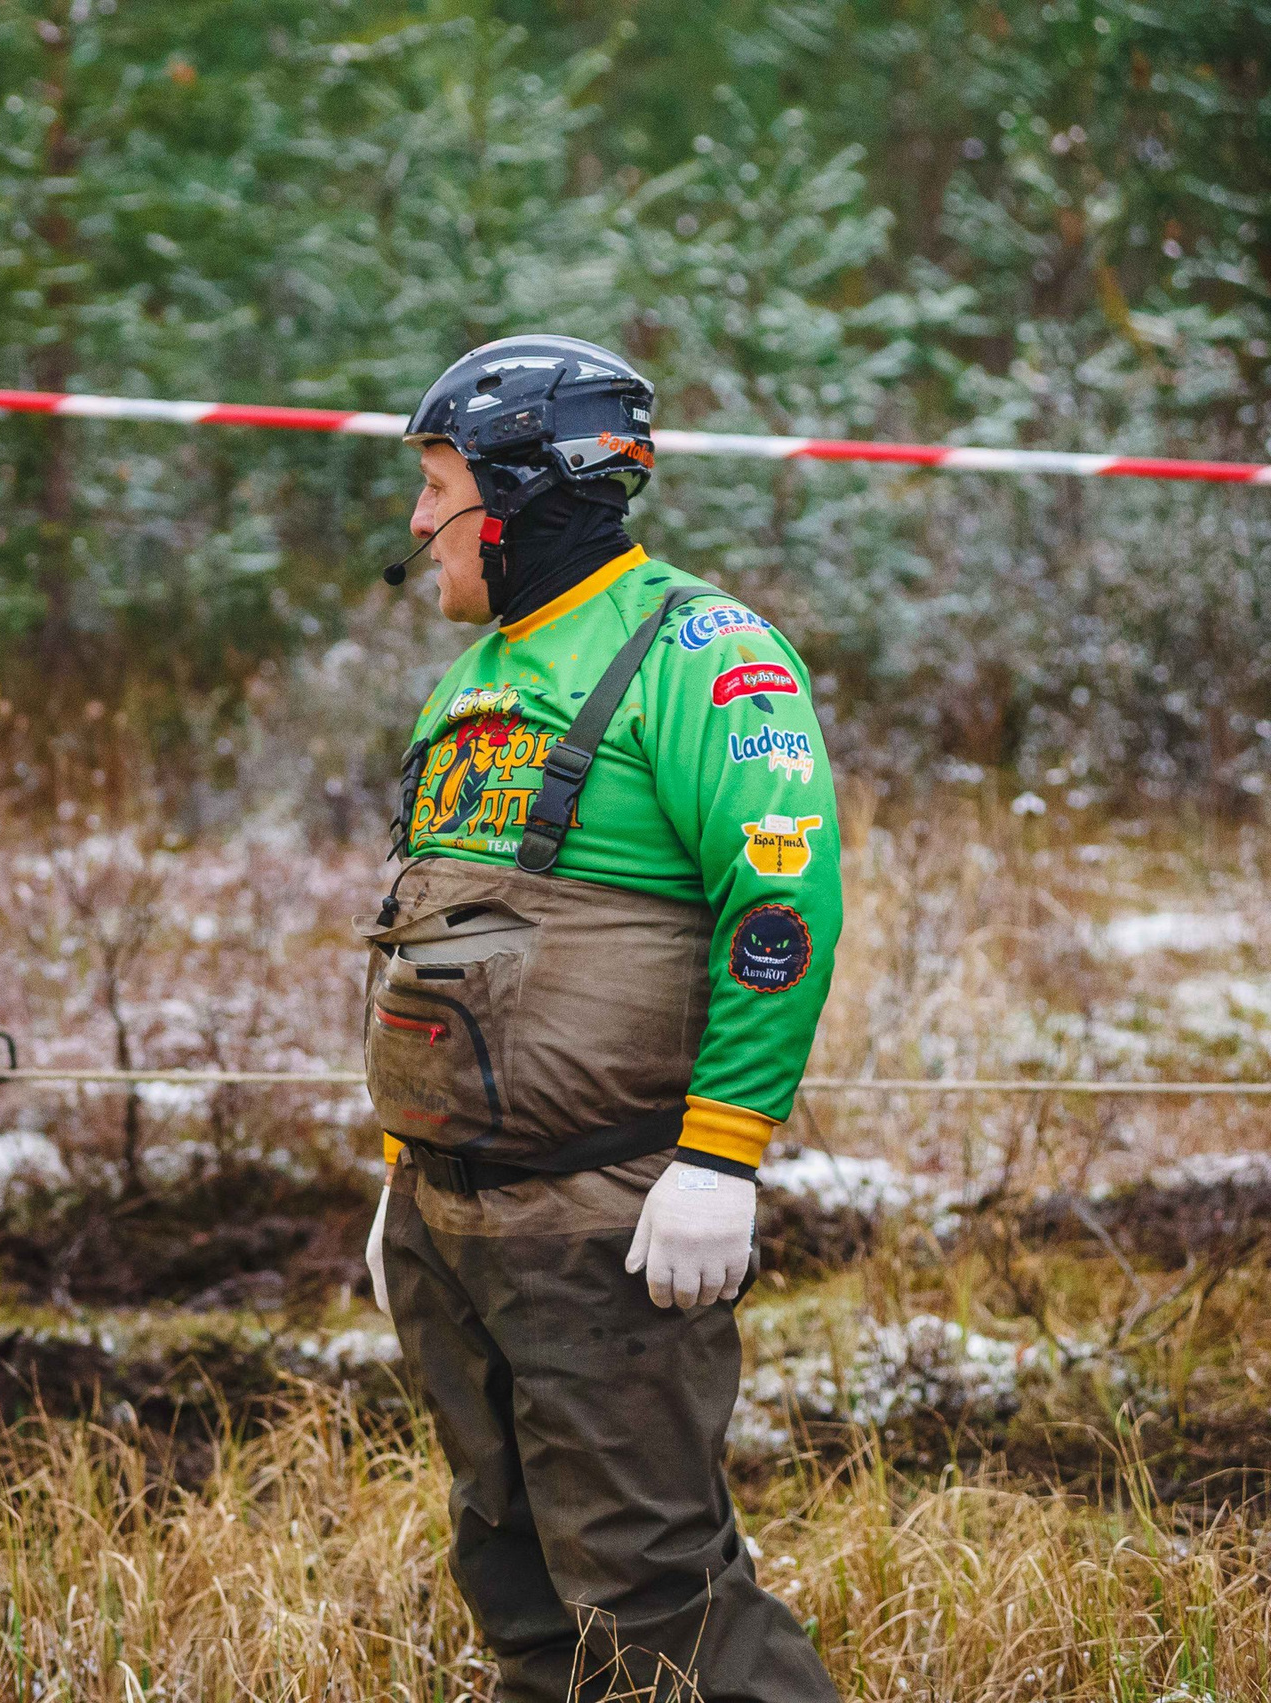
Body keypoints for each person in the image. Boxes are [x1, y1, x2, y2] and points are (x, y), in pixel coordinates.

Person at [359, 334, 844, 1702]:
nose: (416, 522)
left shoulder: (702, 652)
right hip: (451, 1218)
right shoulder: (476, 676)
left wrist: (720, 1156)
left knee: (654, 1598)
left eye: (436, 484)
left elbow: (783, 903)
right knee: (512, 1579)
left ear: (519, 490)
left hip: (607, 1214)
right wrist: (406, 1168)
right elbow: (437, 940)